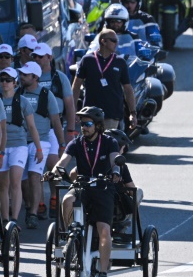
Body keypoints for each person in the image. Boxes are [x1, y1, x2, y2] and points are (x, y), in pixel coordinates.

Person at [46, 106, 120, 277]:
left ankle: (102, 271)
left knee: (104, 230)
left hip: (103, 187)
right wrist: (53, 172)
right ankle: (71, 237)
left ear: (98, 126)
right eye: (82, 124)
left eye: (88, 124)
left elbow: (115, 161)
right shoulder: (76, 143)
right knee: (67, 200)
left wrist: (116, 172)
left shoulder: (109, 142)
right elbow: (62, 162)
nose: (84, 127)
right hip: (82, 186)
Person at [15, 61, 62, 229]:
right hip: (20, 141)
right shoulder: (17, 93)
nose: (21, 77)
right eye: (21, 74)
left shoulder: (46, 95)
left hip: (41, 140)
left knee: (35, 175)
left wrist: (62, 144)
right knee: (23, 181)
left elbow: (56, 121)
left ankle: (33, 213)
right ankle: (30, 206)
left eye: (25, 75)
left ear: (35, 77)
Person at [32, 43, 75, 219]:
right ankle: (40, 203)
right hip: (34, 129)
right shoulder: (29, 77)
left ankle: (55, 198)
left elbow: (69, 105)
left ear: (49, 57)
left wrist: (70, 130)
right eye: (34, 56)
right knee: (36, 169)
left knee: (53, 165)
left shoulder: (59, 78)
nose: (37, 59)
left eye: (40, 56)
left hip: (53, 128)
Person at [0, 67, 41, 224]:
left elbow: (32, 127)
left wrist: (39, 148)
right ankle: (4, 220)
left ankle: (14, 220)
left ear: (15, 83)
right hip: (1, 147)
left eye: (8, 80)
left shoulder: (23, 101)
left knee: (15, 182)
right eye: (2, 80)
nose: (4, 83)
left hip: (19, 145)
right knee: (2, 185)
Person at [72, 29, 138, 131]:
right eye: (114, 41)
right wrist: (73, 110)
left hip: (112, 114)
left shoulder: (120, 62)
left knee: (108, 140)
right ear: (103, 41)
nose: (116, 44)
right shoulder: (87, 60)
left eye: (117, 41)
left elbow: (128, 89)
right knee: (89, 140)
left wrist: (133, 113)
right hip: (89, 113)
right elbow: (76, 86)